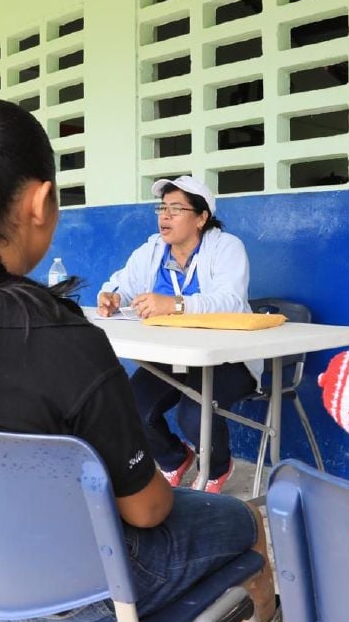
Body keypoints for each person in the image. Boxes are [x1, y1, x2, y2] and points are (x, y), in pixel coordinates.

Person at [0, 100, 279, 622]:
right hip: (90, 590)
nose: (165, 216)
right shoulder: (69, 341)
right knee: (243, 516)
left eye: (176, 209)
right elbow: (147, 513)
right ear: (41, 202)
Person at [97, 176, 262, 493]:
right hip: (174, 357)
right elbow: (121, 283)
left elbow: (230, 300)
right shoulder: (152, 249)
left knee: (194, 413)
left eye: (176, 208)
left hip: (227, 358)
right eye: (162, 208)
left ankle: (217, 467)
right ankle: (174, 459)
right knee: (130, 407)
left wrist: (173, 304)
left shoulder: (226, 248)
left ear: (201, 218)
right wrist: (112, 296)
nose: (165, 216)